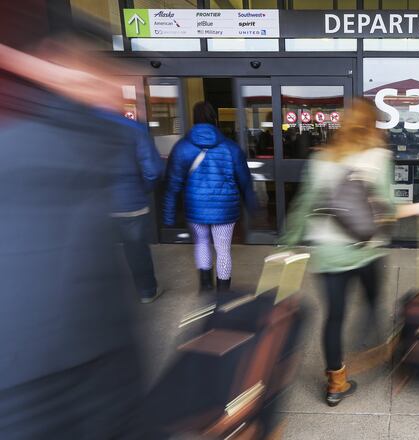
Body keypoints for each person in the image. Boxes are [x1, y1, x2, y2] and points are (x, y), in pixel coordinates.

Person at [0, 16, 146, 439]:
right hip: (45, 389)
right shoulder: (56, 148)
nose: (126, 92)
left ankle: (195, 278)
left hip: (78, 379)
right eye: (111, 76)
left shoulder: (88, 143)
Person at [282, 99, 419, 407]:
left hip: (328, 253)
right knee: (371, 303)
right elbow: (386, 210)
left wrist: (287, 244)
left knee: (334, 317)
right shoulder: (377, 157)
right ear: (373, 125)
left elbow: (303, 205)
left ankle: (336, 384)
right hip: (364, 252)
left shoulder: (321, 158)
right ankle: (375, 349)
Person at [163, 102, 256, 292]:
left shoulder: (182, 147)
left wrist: (169, 216)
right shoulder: (231, 147)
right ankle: (223, 295)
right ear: (215, 119)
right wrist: (253, 206)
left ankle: (206, 288)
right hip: (225, 208)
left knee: (202, 243)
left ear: (194, 119)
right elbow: (245, 181)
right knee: (223, 250)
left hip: (195, 208)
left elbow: (172, 184)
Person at [103, 112, 165, 303]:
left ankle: (106, 298)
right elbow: (153, 170)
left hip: (97, 205)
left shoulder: (83, 126)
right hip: (129, 201)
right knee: (137, 249)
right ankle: (146, 292)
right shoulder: (133, 129)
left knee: (99, 250)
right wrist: (141, 189)